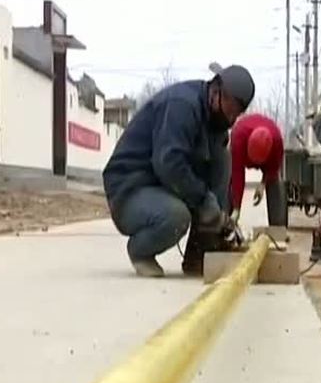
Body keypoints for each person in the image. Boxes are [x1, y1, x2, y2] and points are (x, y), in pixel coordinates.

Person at [102, 65, 256, 277]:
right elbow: (169, 164)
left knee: (222, 158)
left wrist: (220, 217)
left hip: (162, 184)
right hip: (130, 187)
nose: (230, 119)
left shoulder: (215, 119)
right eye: (229, 111)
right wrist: (204, 200)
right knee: (176, 216)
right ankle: (140, 251)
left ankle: (200, 253)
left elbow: (214, 173)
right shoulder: (181, 106)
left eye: (235, 115)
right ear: (216, 92)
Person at [227, 113, 287, 228]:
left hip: (269, 156)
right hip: (242, 142)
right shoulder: (238, 137)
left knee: (275, 183)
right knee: (228, 180)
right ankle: (228, 222)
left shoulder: (277, 142)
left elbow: (273, 168)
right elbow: (237, 174)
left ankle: (277, 227)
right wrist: (236, 208)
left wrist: (263, 183)